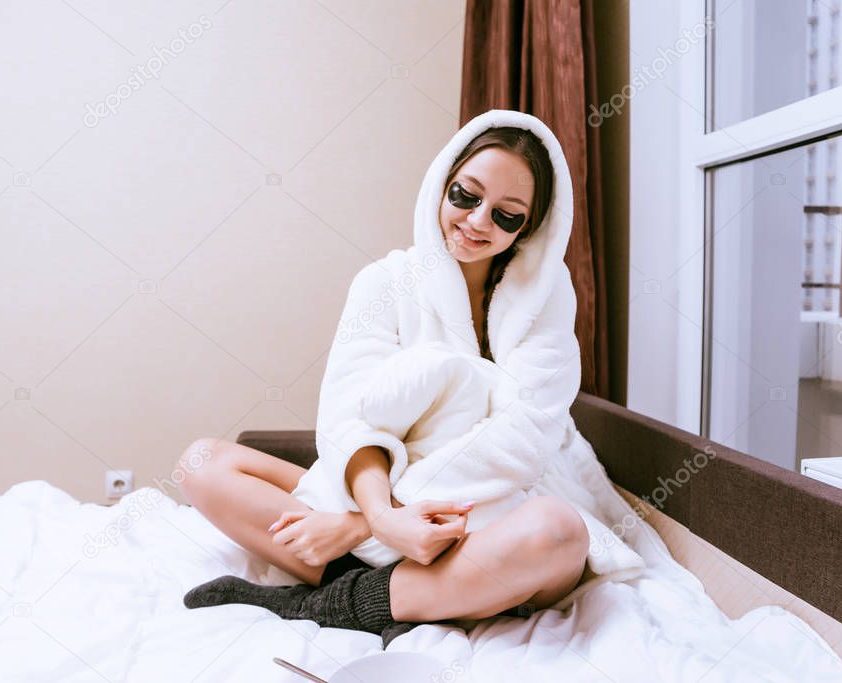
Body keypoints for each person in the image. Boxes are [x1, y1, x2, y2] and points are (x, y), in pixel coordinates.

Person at [179, 110, 592, 649]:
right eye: (466, 196)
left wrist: (362, 527)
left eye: (506, 215)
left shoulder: (548, 297)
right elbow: (349, 417)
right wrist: (380, 515)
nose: (477, 222)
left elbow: (522, 441)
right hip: (375, 495)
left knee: (560, 534)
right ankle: (413, 593)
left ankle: (325, 602)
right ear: (442, 183)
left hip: (482, 517)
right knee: (201, 463)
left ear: (529, 227)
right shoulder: (385, 282)